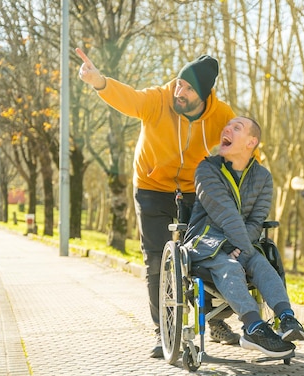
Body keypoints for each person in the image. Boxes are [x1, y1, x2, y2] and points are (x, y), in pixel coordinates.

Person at [76, 48, 242, 357]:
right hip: (152, 187)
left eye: (189, 88)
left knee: (206, 255)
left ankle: (216, 321)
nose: (179, 91)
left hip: (197, 191)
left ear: (204, 94)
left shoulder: (221, 115)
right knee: (157, 260)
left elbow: (241, 147)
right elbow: (131, 99)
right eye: (179, 83)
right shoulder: (160, 100)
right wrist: (100, 82)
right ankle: (163, 328)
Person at [183, 116, 304, 358]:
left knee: (262, 264)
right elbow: (226, 214)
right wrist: (241, 248)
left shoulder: (263, 178)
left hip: (244, 243)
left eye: (236, 127)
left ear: (252, 142)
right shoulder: (207, 170)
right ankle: (253, 327)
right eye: (226, 125)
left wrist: (242, 248)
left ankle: (287, 319)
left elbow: (256, 222)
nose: (226, 129)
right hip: (207, 242)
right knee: (229, 266)